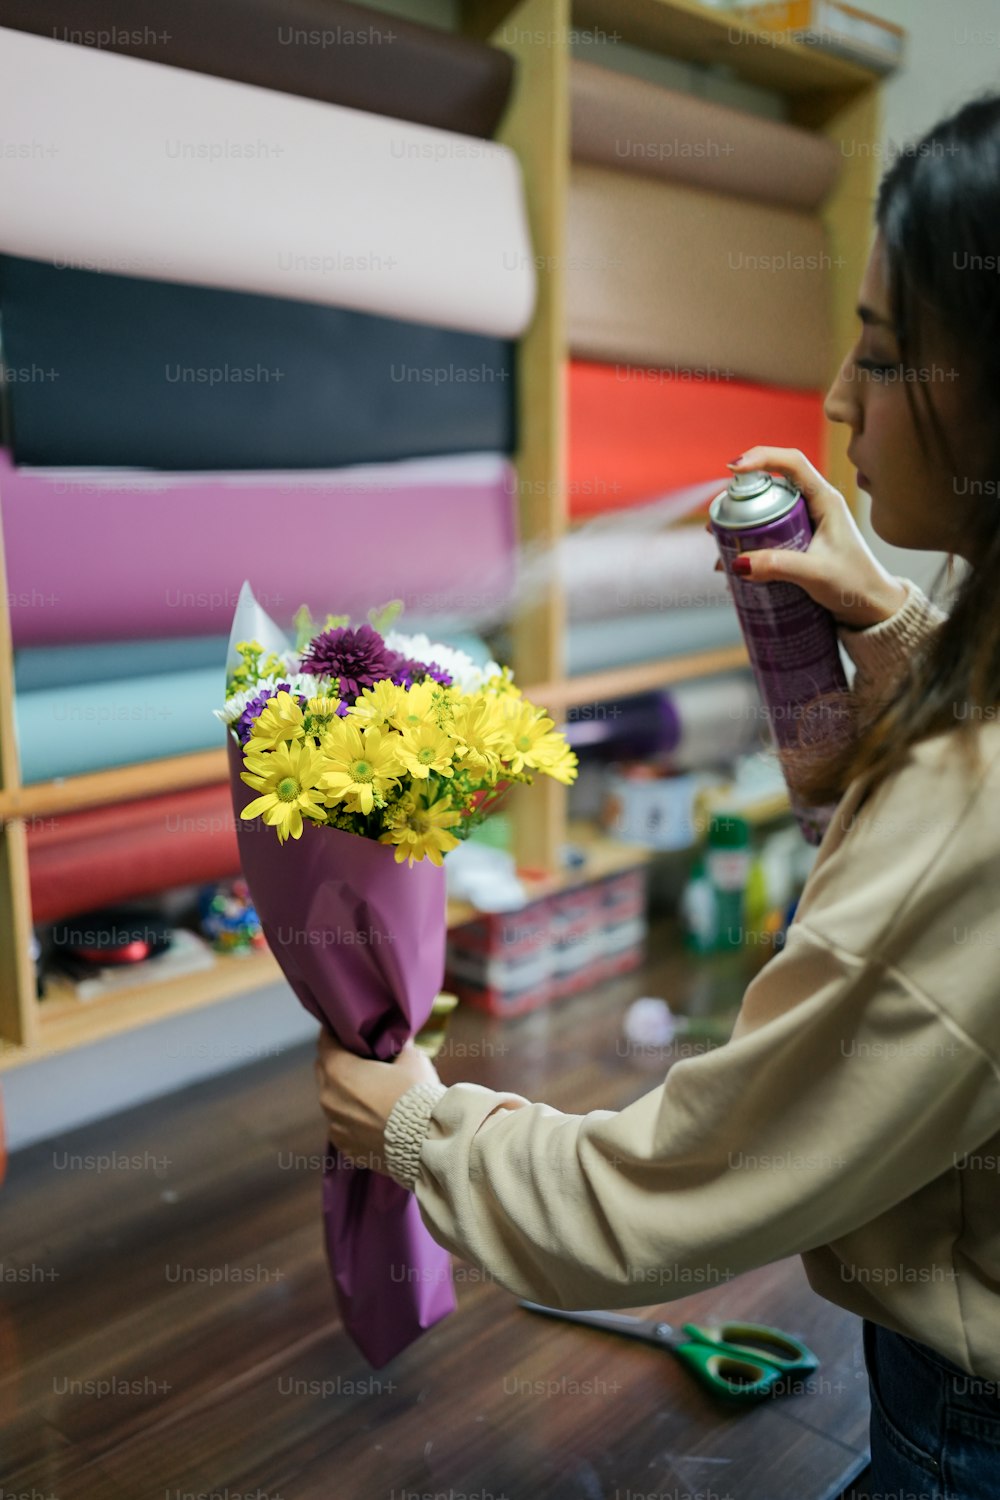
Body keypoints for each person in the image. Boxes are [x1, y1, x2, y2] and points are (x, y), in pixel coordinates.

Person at [315, 95, 1000, 1498]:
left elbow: (680, 1187)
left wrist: (415, 1123)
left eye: (877, 353)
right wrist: (896, 638)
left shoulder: (968, 810)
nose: (833, 405)